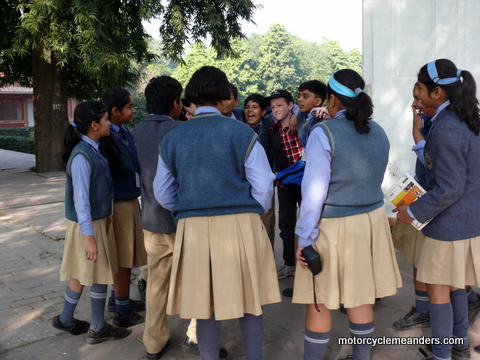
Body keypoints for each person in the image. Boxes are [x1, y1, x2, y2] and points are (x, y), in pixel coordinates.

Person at [154, 66, 281, 360]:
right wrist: (249, 211)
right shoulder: (242, 133)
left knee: (205, 304)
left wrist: (189, 205)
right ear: (225, 96)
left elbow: (162, 192)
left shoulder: (173, 138)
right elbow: (263, 185)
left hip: (193, 228)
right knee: (250, 301)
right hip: (241, 224)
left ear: (191, 97)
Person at [293, 69, 402, 360]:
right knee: (361, 297)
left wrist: (304, 238)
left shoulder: (323, 133)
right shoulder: (378, 130)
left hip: (331, 226)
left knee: (319, 301)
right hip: (370, 222)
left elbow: (314, 192)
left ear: (331, 99)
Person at [132, 76, 226, 359]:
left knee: (157, 284)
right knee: (199, 280)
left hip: (151, 218)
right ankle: (195, 337)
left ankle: (153, 341)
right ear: (176, 103)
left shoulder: (135, 132)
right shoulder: (183, 130)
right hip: (185, 220)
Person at [395, 59, 480, 360]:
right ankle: (458, 347)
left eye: (419, 90)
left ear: (437, 92)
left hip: (448, 227)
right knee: (456, 288)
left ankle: (443, 354)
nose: (415, 96)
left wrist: (413, 212)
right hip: (466, 223)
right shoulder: (465, 118)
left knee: (438, 294)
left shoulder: (447, 129)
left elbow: (449, 188)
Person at [52, 101, 130, 344]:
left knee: (82, 273)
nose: (109, 123)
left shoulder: (93, 149)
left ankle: (66, 319)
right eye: (106, 119)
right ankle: (97, 327)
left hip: (94, 223)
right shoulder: (82, 156)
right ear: (94, 125)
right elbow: (81, 201)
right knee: (98, 274)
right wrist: (89, 237)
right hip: (89, 225)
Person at [100, 88, 146, 328]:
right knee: (123, 259)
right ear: (115, 111)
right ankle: (121, 311)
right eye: (129, 107)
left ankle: (119, 300)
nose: (133, 110)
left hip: (129, 200)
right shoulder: (105, 138)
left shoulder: (124, 131)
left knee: (128, 257)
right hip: (118, 205)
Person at [266, 89, 303, 280]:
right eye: (272, 107)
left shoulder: (304, 123)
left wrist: (297, 114)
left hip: (305, 181)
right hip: (285, 183)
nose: (275, 110)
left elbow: (317, 110)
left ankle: (312, 264)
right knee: (286, 225)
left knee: (310, 223)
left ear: (290, 105)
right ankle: (290, 264)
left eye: (279, 105)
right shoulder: (273, 129)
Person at [244, 93, 275, 247]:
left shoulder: (271, 125)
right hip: (245, 183)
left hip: (265, 181)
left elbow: (292, 110)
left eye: (255, 107)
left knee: (266, 220)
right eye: (247, 107)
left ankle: (266, 255)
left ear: (263, 112)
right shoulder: (240, 129)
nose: (250, 111)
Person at [291, 80, 327, 149]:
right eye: (299, 96)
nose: (300, 99)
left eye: (305, 96)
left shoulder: (325, 117)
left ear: (317, 101)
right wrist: (292, 116)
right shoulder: (300, 114)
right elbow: (292, 107)